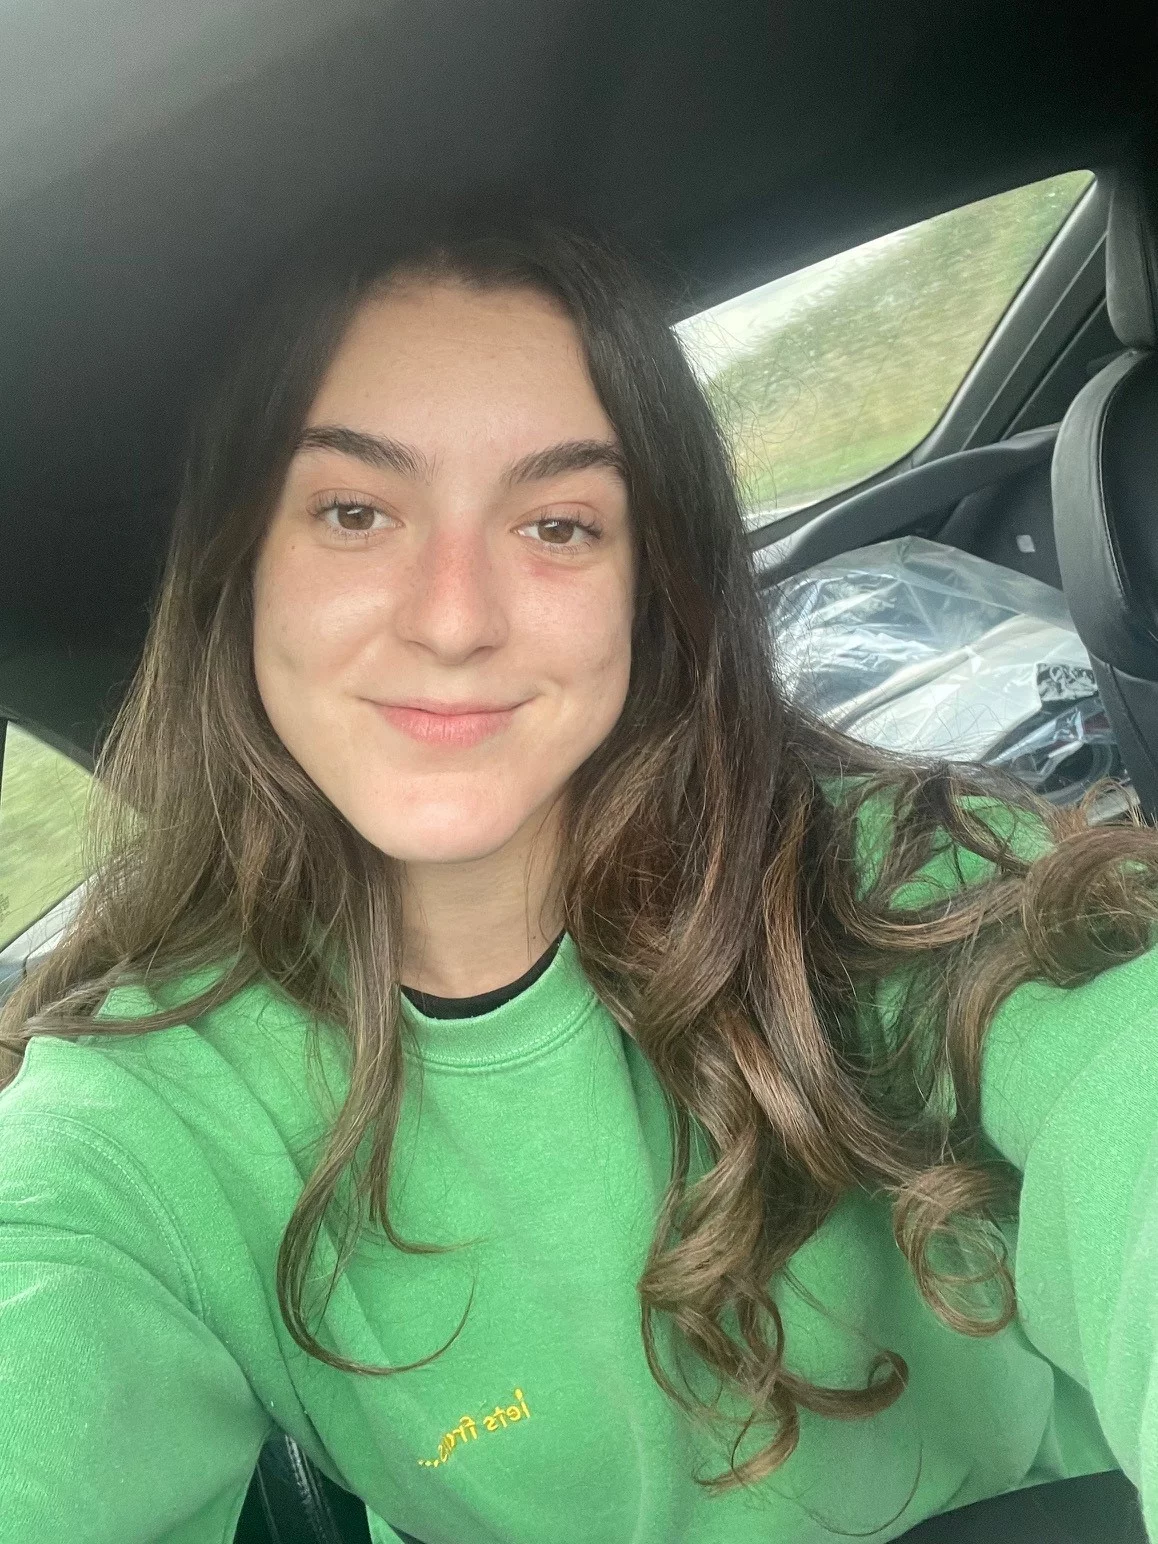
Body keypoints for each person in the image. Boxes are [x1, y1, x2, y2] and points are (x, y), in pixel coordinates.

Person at [1, 206, 1157, 1544]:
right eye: (355, 510)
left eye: (556, 525)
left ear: (650, 588)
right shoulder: (136, 1118)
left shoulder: (918, 898)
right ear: (238, 572)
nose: (452, 617)